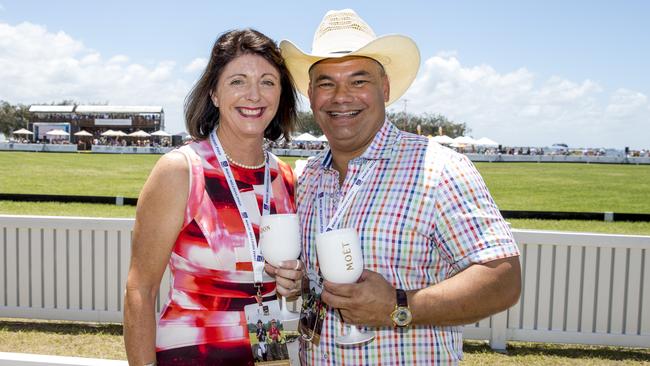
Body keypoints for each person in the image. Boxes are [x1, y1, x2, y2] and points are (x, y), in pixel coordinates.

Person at [280, 9, 521, 365]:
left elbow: (503, 280)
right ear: (311, 94)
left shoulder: (440, 169)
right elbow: (315, 283)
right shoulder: (308, 177)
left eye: (359, 81)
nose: (341, 96)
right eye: (327, 82)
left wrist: (399, 306)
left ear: (386, 89)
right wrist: (297, 280)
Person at [124, 28, 303, 366]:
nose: (254, 95)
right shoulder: (181, 170)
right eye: (238, 81)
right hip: (192, 355)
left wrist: (295, 285)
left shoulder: (286, 177)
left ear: (281, 95)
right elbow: (140, 289)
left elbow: (292, 293)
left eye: (267, 82)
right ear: (215, 94)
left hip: (270, 352)